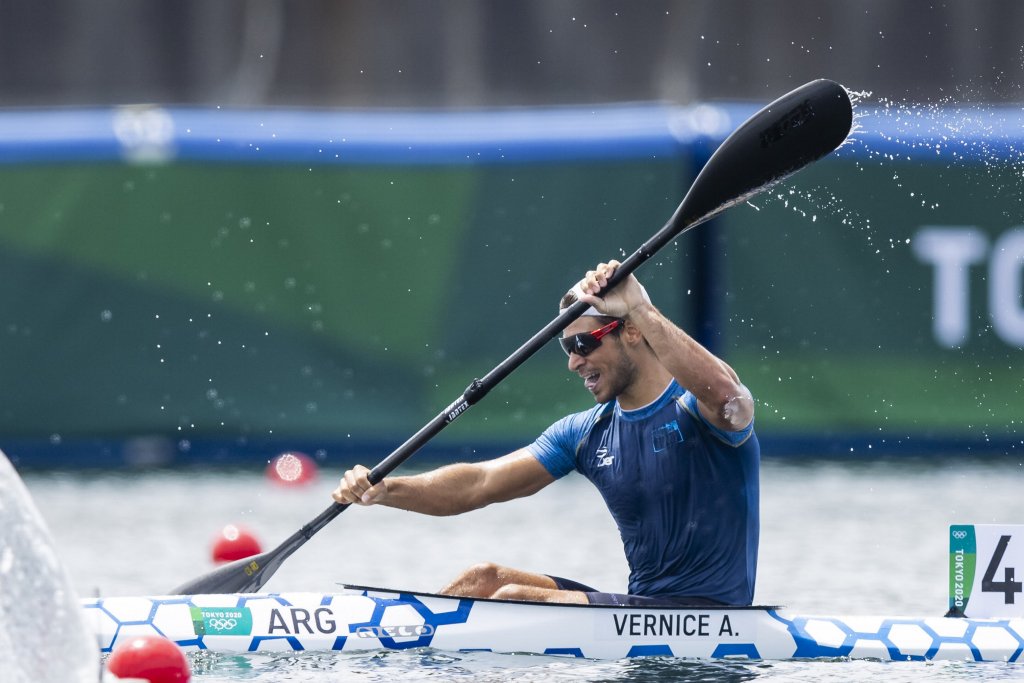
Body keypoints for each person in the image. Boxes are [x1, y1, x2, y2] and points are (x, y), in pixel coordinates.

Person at [332, 259, 759, 606]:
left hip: (712, 613)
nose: (574, 363)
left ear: (631, 332)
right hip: (643, 608)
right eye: (566, 349)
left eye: (583, 344)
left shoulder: (698, 409)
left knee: (516, 597)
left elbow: (729, 399)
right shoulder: (585, 433)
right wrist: (387, 490)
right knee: (483, 579)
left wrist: (640, 307)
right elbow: (480, 484)